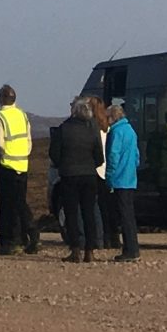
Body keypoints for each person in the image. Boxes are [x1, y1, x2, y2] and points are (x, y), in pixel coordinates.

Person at [49, 96, 106, 262]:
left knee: (72, 213)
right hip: (89, 175)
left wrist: (62, 165)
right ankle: (90, 250)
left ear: (74, 111)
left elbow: (54, 153)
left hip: (69, 175)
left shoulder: (63, 129)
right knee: (89, 212)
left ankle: (75, 250)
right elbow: (99, 157)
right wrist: (91, 165)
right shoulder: (93, 129)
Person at [0, 84, 39, 256]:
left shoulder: (0, 116)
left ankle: (12, 240)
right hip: (22, 165)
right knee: (20, 202)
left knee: (8, 206)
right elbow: (28, 141)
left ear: (1, 98)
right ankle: (24, 237)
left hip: (7, 166)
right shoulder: (22, 115)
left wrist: (2, 158)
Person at [103, 98, 140, 261]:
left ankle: (130, 250)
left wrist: (109, 176)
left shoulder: (116, 132)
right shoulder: (130, 130)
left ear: (112, 117)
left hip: (119, 178)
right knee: (129, 215)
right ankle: (133, 247)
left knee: (124, 215)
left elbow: (113, 155)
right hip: (130, 177)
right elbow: (137, 155)